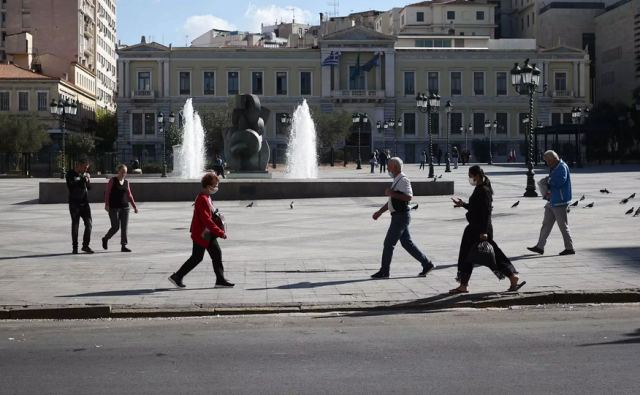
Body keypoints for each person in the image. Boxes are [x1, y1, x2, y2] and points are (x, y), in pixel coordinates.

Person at [450, 165, 525, 294]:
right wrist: (463, 205)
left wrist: (484, 232)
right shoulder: (480, 188)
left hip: (479, 230)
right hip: (475, 228)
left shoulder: (483, 190)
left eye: (471, 176)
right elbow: (476, 208)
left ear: (477, 176)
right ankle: (511, 276)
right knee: (477, 255)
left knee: (488, 256)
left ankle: (512, 276)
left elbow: (486, 212)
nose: (470, 178)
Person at [371, 157, 435, 279]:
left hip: (400, 217)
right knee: (407, 243)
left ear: (395, 167)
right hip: (399, 216)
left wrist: (392, 193)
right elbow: (392, 200)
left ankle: (384, 271)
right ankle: (427, 264)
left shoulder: (403, 180)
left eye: (389, 165)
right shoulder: (397, 179)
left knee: (389, 243)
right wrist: (380, 212)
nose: (387, 167)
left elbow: (409, 197)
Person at [169, 172, 234, 288]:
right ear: (208, 185)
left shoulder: (207, 197)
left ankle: (220, 280)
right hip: (202, 234)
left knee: (216, 254)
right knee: (197, 257)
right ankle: (177, 276)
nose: (216, 187)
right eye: (215, 185)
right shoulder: (202, 199)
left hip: (207, 234)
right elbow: (207, 220)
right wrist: (220, 233)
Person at [527, 150, 575, 256]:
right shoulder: (555, 167)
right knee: (546, 225)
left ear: (553, 159)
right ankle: (540, 247)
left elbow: (560, 181)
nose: (547, 163)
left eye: (548, 161)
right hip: (552, 200)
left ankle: (569, 248)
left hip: (560, 201)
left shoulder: (562, 167)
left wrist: (549, 181)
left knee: (563, 226)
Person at [101, 164, 138, 253]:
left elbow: (129, 195)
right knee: (115, 227)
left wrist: (134, 206)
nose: (124, 174)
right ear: (118, 171)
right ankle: (105, 238)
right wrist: (106, 205)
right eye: (122, 172)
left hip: (125, 207)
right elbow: (107, 193)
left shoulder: (126, 182)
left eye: (125, 172)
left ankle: (123, 245)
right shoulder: (112, 180)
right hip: (113, 208)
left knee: (124, 227)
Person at [66, 157, 93, 254]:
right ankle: (75, 247)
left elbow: (89, 188)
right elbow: (71, 186)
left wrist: (88, 180)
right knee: (75, 225)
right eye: (85, 167)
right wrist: (82, 179)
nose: (86, 169)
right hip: (74, 203)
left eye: (87, 168)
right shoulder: (70, 174)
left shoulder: (85, 174)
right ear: (79, 165)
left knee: (89, 224)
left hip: (85, 203)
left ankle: (85, 246)